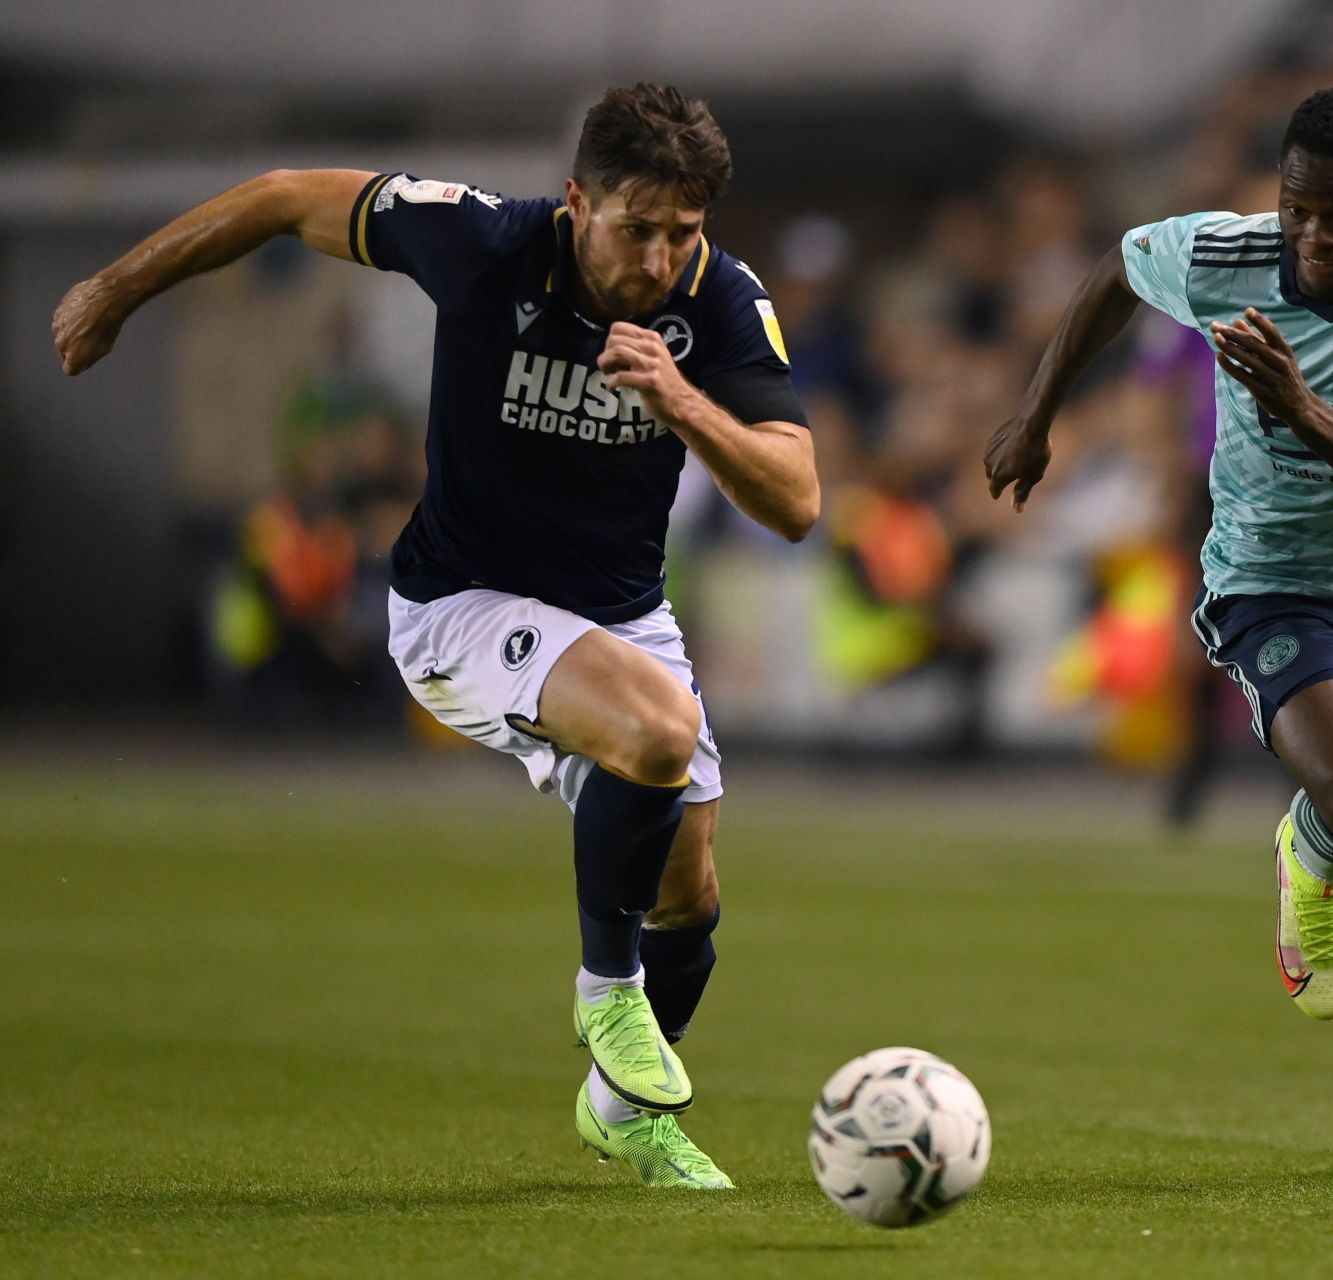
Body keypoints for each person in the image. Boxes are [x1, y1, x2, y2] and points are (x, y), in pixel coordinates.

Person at [53, 82, 819, 1190]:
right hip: (462, 602)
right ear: (575, 202)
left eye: (682, 234)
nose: (659, 260)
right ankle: (607, 995)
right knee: (660, 733)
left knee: (689, 895)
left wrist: (685, 401)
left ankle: (623, 1114)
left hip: (619, 614)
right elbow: (279, 196)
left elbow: (797, 498)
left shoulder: (721, 299)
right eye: (637, 228)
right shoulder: (481, 240)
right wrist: (115, 290)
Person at [985, 86, 1333, 1176]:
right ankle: (1312, 853)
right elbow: (1117, 273)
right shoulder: (1221, 255)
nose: (1318, 237)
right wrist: (1035, 413)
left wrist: (1303, 407)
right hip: (1272, 583)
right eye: (1300, 210)